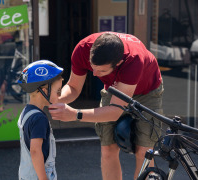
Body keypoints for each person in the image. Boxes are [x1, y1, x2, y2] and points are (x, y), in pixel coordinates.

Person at [48, 32, 164, 180]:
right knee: (108, 148)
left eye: (102, 70)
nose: (95, 74)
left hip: (147, 91)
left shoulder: (134, 59)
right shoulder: (83, 49)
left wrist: (75, 114)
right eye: (92, 67)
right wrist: (55, 99)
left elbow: (115, 111)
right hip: (114, 88)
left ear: (118, 63)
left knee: (144, 151)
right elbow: (73, 87)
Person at [17, 60, 63, 180]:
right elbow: (35, 151)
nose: (59, 95)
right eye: (58, 91)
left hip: (26, 174)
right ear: (44, 91)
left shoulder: (26, 112)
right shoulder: (39, 119)